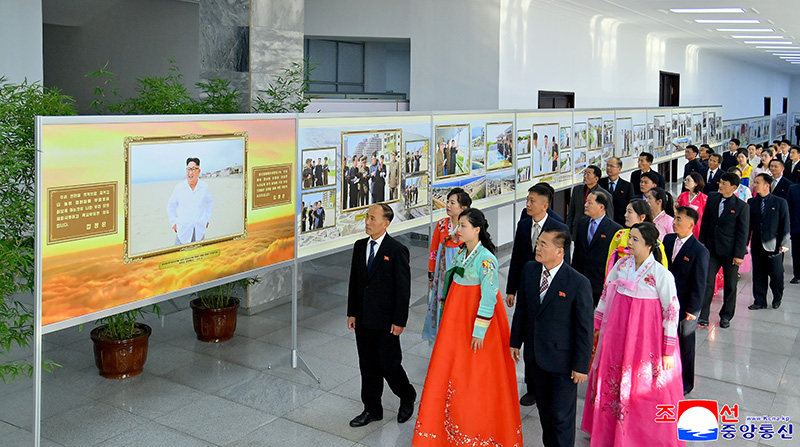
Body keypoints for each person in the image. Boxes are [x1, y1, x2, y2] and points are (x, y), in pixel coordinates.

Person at [414, 209, 522, 447]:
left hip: (474, 324)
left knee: (475, 376)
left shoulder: (486, 259)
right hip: (456, 321)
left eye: (462, 226)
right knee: (451, 370)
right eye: (458, 225)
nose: (457, 230)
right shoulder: (463, 252)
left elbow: (489, 297)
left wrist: (479, 331)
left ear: (477, 230)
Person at [582, 222, 684, 447]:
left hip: (645, 338)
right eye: (630, 238)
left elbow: (671, 311)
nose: (629, 243)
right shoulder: (620, 265)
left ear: (650, 245)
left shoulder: (661, 274)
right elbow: (606, 295)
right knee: (612, 379)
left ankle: (642, 436)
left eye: (635, 239)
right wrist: (597, 326)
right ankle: (609, 432)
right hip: (616, 334)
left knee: (644, 385)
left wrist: (667, 351)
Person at [510, 228, 593, 447]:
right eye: (538, 243)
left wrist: (581, 366)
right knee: (546, 416)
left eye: (544, 244)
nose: (538, 247)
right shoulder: (530, 270)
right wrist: (515, 341)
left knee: (561, 419)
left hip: (563, 364)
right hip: (536, 358)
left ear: (560, 251)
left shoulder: (577, 283)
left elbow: (584, 329)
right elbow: (522, 309)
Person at [346, 204, 416, 427]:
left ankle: (407, 395)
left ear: (386, 223)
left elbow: (403, 289)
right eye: (367, 217)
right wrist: (352, 313)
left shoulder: (396, 250)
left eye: (373, 218)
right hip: (364, 319)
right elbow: (355, 283)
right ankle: (372, 408)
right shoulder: (359, 247)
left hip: (386, 321)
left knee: (389, 364)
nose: (367, 222)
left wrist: (399, 320)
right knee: (367, 365)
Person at [506, 183, 570, 406]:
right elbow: (516, 257)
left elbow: (565, 264)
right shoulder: (523, 225)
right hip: (527, 286)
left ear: (545, 204)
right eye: (527, 200)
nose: (528, 204)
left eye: (532, 201)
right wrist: (511, 289)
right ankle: (531, 388)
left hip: (550, 289)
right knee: (528, 334)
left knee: (545, 335)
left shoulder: (558, 227)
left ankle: (549, 381)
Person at [663, 207, 709, 395]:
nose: (674, 222)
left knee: (685, 344)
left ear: (691, 225)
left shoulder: (700, 251)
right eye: (675, 218)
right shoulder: (667, 240)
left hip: (685, 306)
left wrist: (693, 310)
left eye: (679, 219)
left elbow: (700, 283)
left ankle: (686, 382)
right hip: (666, 301)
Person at [698, 173, 749, 329]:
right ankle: (703, 315)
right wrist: (701, 244)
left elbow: (743, 232)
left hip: (730, 252)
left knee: (730, 285)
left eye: (724, 184)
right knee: (708, 282)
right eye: (720, 183)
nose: (720, 185)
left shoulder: (741, 206)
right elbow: (705, 221)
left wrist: (739, 255)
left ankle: (726, 316)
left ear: (733, 187)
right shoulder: (713, 198)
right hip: (712, 249)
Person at [423, 188, 472, 343]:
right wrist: (431, 276)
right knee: (441, 305)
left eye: (452, 202)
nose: (448, 205)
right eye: (448, 202)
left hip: (461, 274)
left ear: (463, 207)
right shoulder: (441, 225)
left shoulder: (469, 227)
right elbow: (433, 252)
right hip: (442, 273)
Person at [747, 173, 790, 310]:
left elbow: (785, 225)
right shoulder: (752, 202)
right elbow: (748, 225)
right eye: (755, 182)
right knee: (758, 273)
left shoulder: (780, 202)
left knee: (776, 274)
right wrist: (745, 243)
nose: (755, 185)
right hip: (757, 243)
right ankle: (759, 300)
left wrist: (784, 244)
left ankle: (777, 297)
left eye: (758, 182)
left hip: (774, 245)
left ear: (767, 185)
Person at [572, 191, 622, 307]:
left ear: (601, 207)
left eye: (590, 203)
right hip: (581, 277)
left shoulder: (614, 229)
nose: (585, 205)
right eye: (586, 202)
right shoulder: (582, 223)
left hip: (599, 281)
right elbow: (577, 251)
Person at [605, 199, 668, 275]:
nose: (625, 215)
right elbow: (610, 262)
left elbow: (662, 270)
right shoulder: (620, 235)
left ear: (642, 217)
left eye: (629, 212)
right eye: (626, 211)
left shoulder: (655, 242)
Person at [167, 157, 213, 245]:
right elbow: (171, 205)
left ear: (199, 171)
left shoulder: (204, 187)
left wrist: (207, 219)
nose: (190, 172)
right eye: (188, 169)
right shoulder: (179, 188)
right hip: (183, 230)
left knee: (198, 255)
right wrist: (173, 223)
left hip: (199, 230)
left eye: (193, 169)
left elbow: (210, 202)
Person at [566, 165, 613, 238]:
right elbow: (571, 212)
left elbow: (609, 217)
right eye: (585, 173)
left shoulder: (604, 195)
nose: (585, 176)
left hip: (594, 231)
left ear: (596, 178)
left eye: (588, 174)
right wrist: (568, 230)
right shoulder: (577, 189)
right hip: (577, 230)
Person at [599, 157, 634, 226]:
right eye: (607, 165)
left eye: (612, 166)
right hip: (603, 222)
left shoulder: (627, 186)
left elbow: (630, 204)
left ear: (619, 169)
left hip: (620, 222)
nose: (608, 168)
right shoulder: (600, 183)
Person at [676, 172, 707, 238]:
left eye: (688, 180)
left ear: (696, 183)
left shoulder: (704, 198)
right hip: (683, 225)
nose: (685, 182)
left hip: (697, 227)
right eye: (685, 180)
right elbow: (676, 209)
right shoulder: (682, 196)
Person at [786, 180, 800, 284]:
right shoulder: (793, 188)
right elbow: (788, 207)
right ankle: (797, 274)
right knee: (796, 251)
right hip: (796, 226)